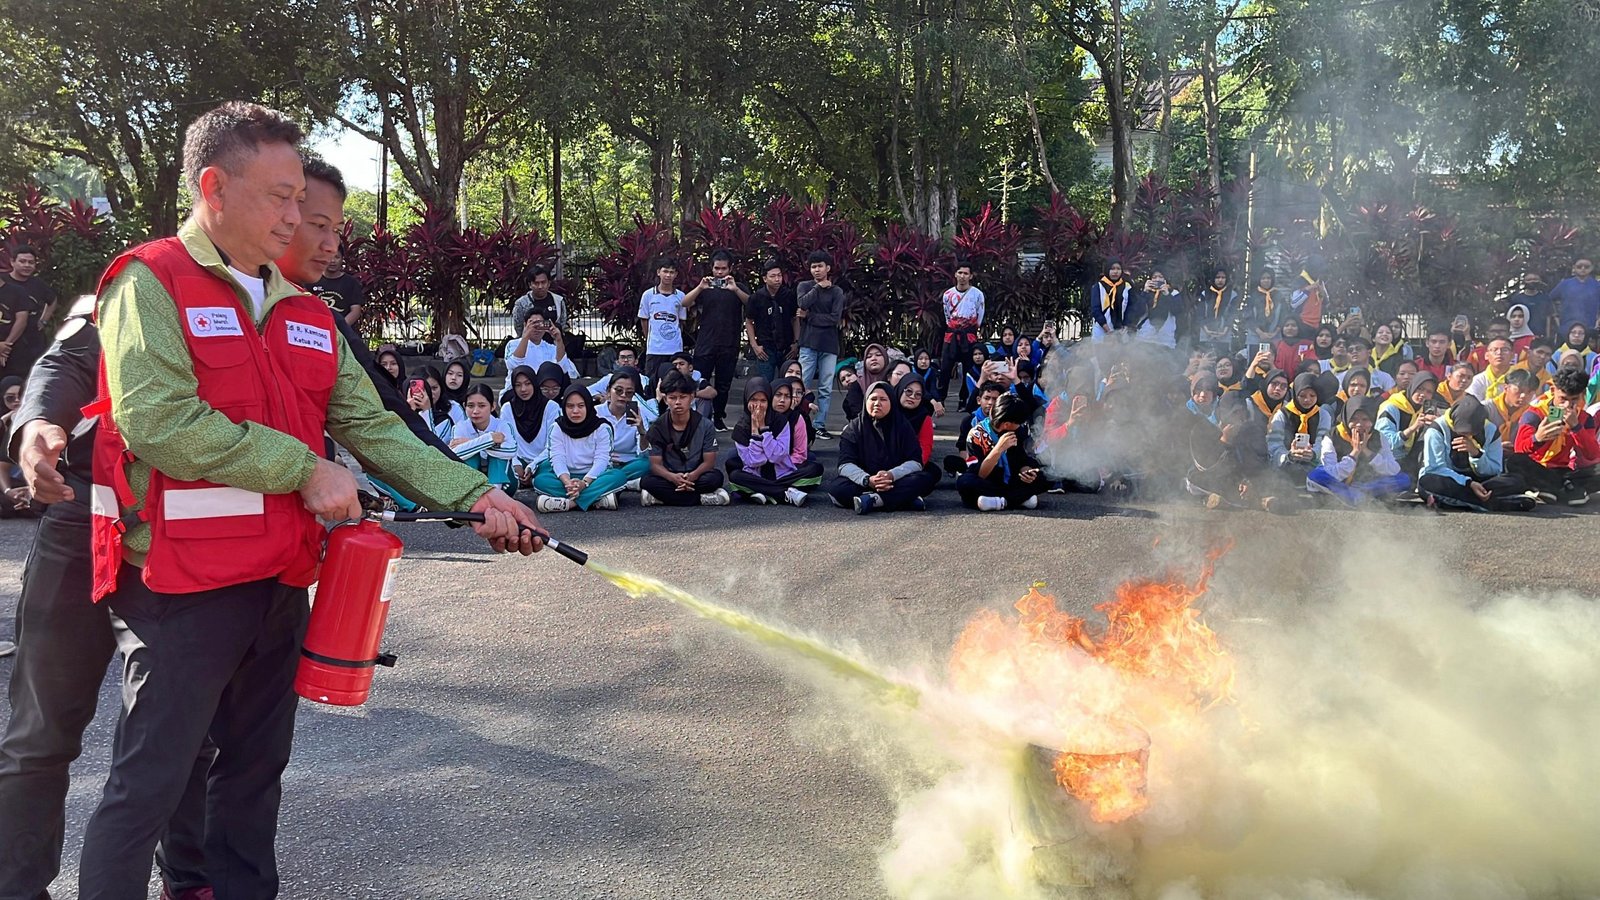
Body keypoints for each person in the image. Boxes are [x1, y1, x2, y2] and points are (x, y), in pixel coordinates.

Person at [79, 103, 541, 900]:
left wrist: (479, 493)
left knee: (254, 778)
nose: (296, 218)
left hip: (282, 581)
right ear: (214, 188)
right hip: (181, 588)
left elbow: (376, 428)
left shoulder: (306, 313)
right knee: (149, 785)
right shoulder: (150, 282)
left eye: (302, 200)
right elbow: (157, 422)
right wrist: (303, 468)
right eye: (280, 197)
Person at [827, 380, 938, 513]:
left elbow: (915, 462)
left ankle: (873, 500)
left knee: (925, 479)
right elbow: (845, 464)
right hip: (864, 481)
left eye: (883, 399)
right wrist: (867, 480)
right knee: (837, 488)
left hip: (895, 480)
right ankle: (903, 501)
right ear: (866, 401)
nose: (877, 403)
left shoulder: (903, 426)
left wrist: (891, 475)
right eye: (873, 399)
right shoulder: (853, 428)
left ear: (892, 402)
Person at [1418, 393, 1534, 511]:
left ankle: (1469, 499)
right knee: (1427, 482)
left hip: (1479, 481)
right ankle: (1493, 503)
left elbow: (1495, 469)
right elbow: (1435, 468)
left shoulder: (1491, 430)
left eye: (1472, 432)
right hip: (1452, 481)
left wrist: (1476, 454)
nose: (1468, 435)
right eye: (1463, 432)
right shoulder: (1437, 430)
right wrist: (1468, 483)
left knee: (1517, 480)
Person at [1509, 367, 1600, 505]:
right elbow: (1519, 449)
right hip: (1539, 468)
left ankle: (1560, 488)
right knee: (1514, 461)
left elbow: (1592, 455)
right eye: (1563, 399)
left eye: (1574, 400)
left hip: (1565, 470)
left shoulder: (1584, 418)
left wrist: (1576, 428)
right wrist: (1537, 438)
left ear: (1582, 395)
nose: (1567, 405)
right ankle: (1564, 490)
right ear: (1553, 391)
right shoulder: (1535, 413)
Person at [641, 370, 729, 506]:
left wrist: (692, 476)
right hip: (670, 475)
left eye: (683, 397)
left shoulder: (705, 425)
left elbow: (709, 462)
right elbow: (655, 464)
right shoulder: (658, 426)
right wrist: (672, 477)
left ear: (692, 397)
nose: (678, 402)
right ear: (665, 399)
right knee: (647, 481)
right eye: (672, 398)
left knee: (715, 478)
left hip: (696, 474)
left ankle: (662, 498)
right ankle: (701, 499)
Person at [533, 384, 626, 512]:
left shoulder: (602, 428)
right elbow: (557, 458)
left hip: (595, 478)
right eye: (570, 406)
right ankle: (597, 501)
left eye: (581, 406)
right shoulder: (557, 427)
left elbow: (602, 460)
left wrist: (584, 483)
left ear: (588, 406)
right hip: (566, 478)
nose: (575, 411)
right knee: (540, 481)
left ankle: (569, 504)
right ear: (564, 407)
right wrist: (567, 483)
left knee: (618, 476)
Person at [684, 249, 748, 431]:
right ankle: (698, 418)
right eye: (716, 268)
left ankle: (719, 417)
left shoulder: (738, 287)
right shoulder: (705, 287)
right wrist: (700, 287)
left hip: (729, 343)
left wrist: (735, 289)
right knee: (699, 380)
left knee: (724, 384)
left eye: (723, 269)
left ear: (730, 268)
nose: (719, 272)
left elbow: (752, 304)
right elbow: (685, 303)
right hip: (705, 343)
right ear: (711, 268)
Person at [1306, 396, 1409, 505]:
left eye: (1365, 419)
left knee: (1403, 479)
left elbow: (1394, 469)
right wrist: (1354, 453)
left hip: (1366, 484)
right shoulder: (1333, 436)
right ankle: (1356, 498)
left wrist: (1366, 451)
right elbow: (1331, 472)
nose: (1359, 424)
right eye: (1353, 419)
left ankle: (1360, 495)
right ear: (1347, 418)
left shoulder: (1378, 437)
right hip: (1339, 484)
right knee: (1316, 476)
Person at [725, 376, 812, 506]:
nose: (758, 405)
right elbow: (755, 461)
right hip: (756, 474)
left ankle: (760, 491)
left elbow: (777, 456)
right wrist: (755, 431)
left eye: (763, 401)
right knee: (735, 476)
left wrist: (764, 429)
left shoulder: (780, 421)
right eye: (753, 400)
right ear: (746, 400)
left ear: (769, 401)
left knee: (815, 470)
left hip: (781, 473)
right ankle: (784, 493)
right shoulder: (741, 428)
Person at [958, 391, 1047, 511]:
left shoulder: (1018, 431)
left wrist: (1026, 470)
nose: (1020, 425)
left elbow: (1022, 458)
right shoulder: (976, 435)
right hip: (988, 482)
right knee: (965, 482)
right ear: (1007, 424)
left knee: (1044, 476)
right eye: (1018, 423)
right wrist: (999, 449)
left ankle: (998, 502)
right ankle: (1017, 500)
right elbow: (980, 474)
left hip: (1011, 480)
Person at [796, 250, 847, 438]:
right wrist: (817, 288)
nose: (816, 270)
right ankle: (799, 421)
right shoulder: (804, 286)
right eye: (813, 267)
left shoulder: (836, 291)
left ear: (828, 268)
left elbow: (834, 318)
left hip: (829, 345)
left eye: (820, 266)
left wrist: (809, 316)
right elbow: (802, 303)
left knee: (825, 388)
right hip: (808, 343)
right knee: (801, 385)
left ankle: (819, 425)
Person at [451, 383, 520, 493]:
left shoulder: (503, 425)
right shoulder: (460, 427)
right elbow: (455, 454)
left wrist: (471, 443)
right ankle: (471, 492)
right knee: (469, 456)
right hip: (473, 482)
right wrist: (489, 439)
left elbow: (511, 450)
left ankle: (494, 494)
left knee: (497, 457)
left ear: (492, 406)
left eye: (482, 406)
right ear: (464, 406)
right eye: (470, 406)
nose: (475, 411)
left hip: (505, 482)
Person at [595, 367, 654, 491]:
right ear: (608, 391)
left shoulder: (638, 414)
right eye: (618, 391)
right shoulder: (596, 413)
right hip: (601, 464)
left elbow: (644, 454)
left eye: (629, 393)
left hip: (628, 464)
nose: (623, 396)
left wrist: (642, 431)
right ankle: (627, 483)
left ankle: (613, 483)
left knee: (647, 464)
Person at [0, 246, 55, 378]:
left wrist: (44, 320)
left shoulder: (38, 284)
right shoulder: (3, 282)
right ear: (12, 262)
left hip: (31, 339)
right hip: (6, 336)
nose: (27, 265)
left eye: (31, 262)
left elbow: (52, 300)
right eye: (22, 261)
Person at [500, 364, 560, 485]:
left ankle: (534, 481)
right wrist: (516, 463)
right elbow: (506, 441)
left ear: (535, 383)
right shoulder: (507, 408)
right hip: (517, 460)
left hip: (544, 461)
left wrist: (533, 465)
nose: (523, 389)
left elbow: (553, 445)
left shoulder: (551, 407)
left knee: (553, 469)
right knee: (505, 476)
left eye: (528, 383)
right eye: (518, 385)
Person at [1377, 369, 1442, 476]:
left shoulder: (1423, 409)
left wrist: (1438, 424)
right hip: (1390, 461)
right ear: (1412, 386)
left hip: (1409, 459)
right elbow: (1385, 443)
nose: (1423, 394)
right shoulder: (1390, 407)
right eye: (1420, 389)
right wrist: (1413, 428)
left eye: (1429, 392)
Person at [938, 262, 986, 404]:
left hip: (969, 336)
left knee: (968, 369)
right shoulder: (947, 295)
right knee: (945, 368)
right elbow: (947, 316)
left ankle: (964, 400)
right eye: (960, 273)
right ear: (955, 274)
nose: (962, 276)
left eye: (966, 273)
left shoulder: (977, 294)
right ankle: (940, 400)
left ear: (971, 276)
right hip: (951, 335)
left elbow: (979, 316)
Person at [1268, 372, 1331, 473]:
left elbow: (1323, 442)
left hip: (1314, 466)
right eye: (1302, 395)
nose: (1307, 400)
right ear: (1295, 393)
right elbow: (1274, 445)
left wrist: (1313, 454)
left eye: (1312, 395)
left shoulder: (1323, 415)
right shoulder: (1282, 415)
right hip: (1285, 468)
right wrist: (1289, 455)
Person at [745, 258, 796, 383]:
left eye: (779, 275)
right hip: (765, 348)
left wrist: (796, 343)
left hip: (787, 347)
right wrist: (754, 345)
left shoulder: (789, 295)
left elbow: (795, 319)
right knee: (765, 384)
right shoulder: (756, 298)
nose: (777, 279)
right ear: (765, 278)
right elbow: (749, 321)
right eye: (773, 276)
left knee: (788, 383)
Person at [501, 309, 578, 391]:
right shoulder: (513, 344)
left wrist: (559, 340)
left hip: (543, 391)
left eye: (540, 324)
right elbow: (513, 365)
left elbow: (563, 368)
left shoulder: (550, 348)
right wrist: (525, 336)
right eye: (533, 323)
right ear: (525, 325)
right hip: (517, 390)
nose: (537, 328)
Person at [638, 256, 687, 383]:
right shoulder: (648, 295)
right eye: (665, 271)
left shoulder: (681, 296)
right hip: (655, 349)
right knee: (652, 381)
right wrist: (650, 338)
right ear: (658, 272)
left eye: (671, 272)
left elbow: (681, 321)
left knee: (674, 382)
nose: (668, 275)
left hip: (675, 348)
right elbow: (644, 319)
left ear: (676, 274)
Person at [307, 245, 363, 326]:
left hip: (343, 331)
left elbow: (355, 311)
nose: (333, 261)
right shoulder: (311, 280)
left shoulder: (351, 282)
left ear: (342, 259)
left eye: (337, 257)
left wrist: (339, 328)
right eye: (329, 257)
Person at [510, 264, 567, 333]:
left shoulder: (558, 301)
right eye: (536, 283)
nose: (540, 286)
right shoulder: (521, 304)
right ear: (530, 285)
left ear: (549, 283)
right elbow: (519, 328)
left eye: (543, 282)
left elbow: (562, 325)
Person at [1551, 257, 1600, 334]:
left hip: (1590, 327)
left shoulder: (1597, 285)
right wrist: (1555, 317)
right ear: (1574, 267)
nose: (1583, 268)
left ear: (1592, 268)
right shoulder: (1565, 284)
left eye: (1586, 266)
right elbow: (1549, 300)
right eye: (1579, 266)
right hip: (1567, 328)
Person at [1196, 267, 1240, 350]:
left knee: (1222, 357)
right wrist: (1207, 331)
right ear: (1213, 278)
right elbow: (1200, 314)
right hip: (1206, 335)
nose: (1220, 280)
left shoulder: (1233, 295)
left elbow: (1231, 315)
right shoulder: (1204, 294)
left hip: (1224, 336)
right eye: (1217, 277)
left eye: (1223, 277)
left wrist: (1224, 332)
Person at [1088, 260, 1132, 341]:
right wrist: (1108, 330)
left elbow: (1130, 307)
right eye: (1112, 268)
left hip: (1121, 332)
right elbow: (1095, 309)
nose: (1115, 271)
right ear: (1107, 270)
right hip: (1102, 330)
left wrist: (1126, 325)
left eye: (1118, 269)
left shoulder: (1127, 287)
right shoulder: (1098, 286)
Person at [1467, 337, 1516, 403]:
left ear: (1512, 355)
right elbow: (1471, 404)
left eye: (1504, 350)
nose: (1499, 353)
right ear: (1486, 355)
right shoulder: (1478, 380)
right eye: (1494, 350)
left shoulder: (1520, 379)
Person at [1508, 271, 1553, 338]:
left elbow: (1548, 318)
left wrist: (1548, 336)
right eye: (1529, 280)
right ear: (1524, 282)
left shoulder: (1545, 298)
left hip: (1540, 335)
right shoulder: (1517, 299)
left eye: (1535, 279)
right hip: (1522, 336)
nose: (1532, 282)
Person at [1248, 270, 1281, 342]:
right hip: (1255, 336)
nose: (1266, 280)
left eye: (1268, 278)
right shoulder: (1253, 296)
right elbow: (1249, 317)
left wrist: (1274, 333)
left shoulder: (1279, 295)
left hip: (1275, 337)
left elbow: (1283, 316)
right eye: (1263, 278)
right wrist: (1260, 333)